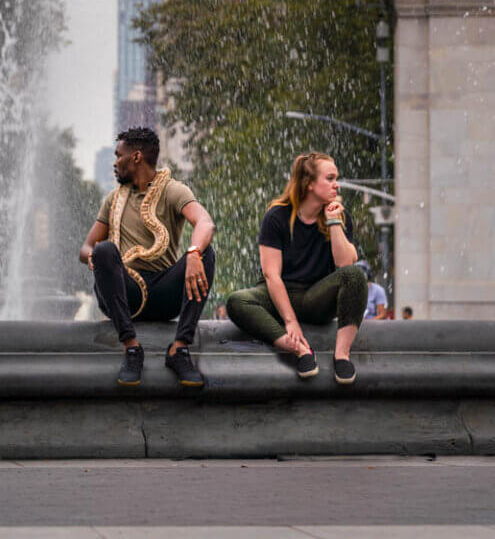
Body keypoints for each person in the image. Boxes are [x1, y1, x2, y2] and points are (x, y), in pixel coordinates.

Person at [79, 127, 215, 388]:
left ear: (137, 157)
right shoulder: (113, 200)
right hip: (124, 293)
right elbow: (86, 247)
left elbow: (205, 222)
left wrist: (194, 253)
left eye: (119, 155)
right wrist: (95, 258)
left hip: (164, 293)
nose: (115, 162)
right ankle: (131, 347)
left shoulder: (173, 190)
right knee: (104, 249)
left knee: (206, 251)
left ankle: (179, 348)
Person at [226, 152, 367, 384]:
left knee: (355, 276)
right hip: (279, 294)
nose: (336, 184)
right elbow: (271, 274)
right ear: (309, 184)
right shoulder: (277, 217)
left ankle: (342, 355)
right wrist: (290, 322)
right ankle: (299, 350)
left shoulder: (339, 216)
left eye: (336, 178)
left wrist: (334, 222)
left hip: (316, 296)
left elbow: (345, 265)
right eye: (330, 178)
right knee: (237, 300)